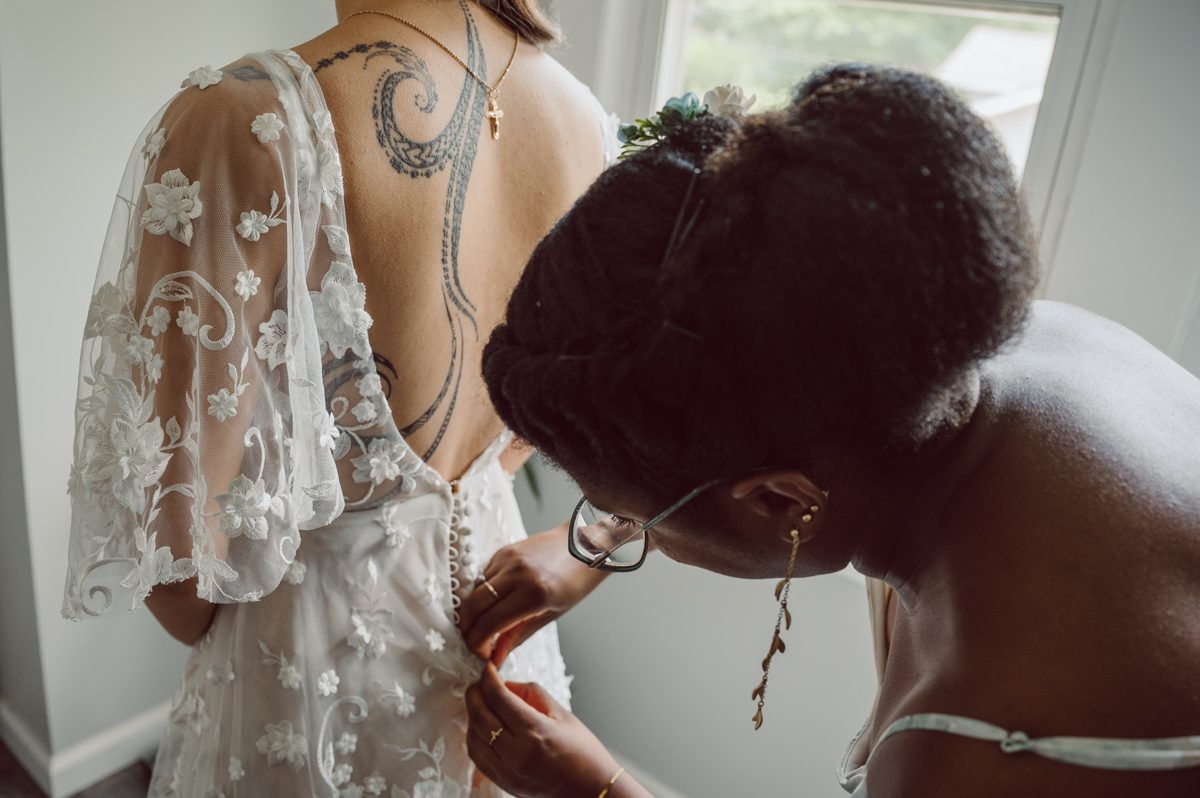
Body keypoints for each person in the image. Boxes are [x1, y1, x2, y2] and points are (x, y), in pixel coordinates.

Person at [454, 64, 1200, 797]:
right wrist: (605, 538)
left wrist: (602, 790)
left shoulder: (980, 754)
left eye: (627, 519)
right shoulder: (992, 348)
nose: (613, 532)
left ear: (781, 501)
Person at [63, 1, 616, 795]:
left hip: (307, 681)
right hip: (509, 662)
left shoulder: (244, 118)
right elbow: (539, 429)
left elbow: (180, 570)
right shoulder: (585, 121)